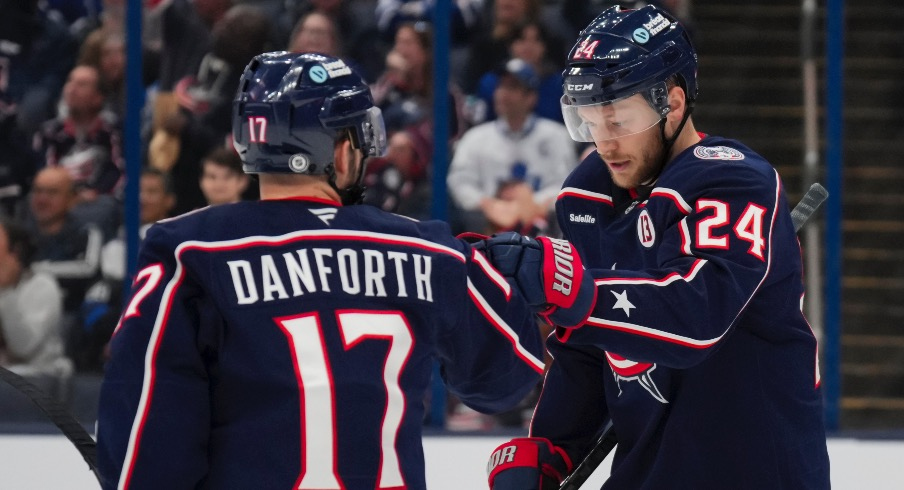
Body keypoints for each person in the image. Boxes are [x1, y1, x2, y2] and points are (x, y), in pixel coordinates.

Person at [96, 51, 548, 489]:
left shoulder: (188, 251)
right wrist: (498, 277)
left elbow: (144, 446)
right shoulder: (429, 248)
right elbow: (508, 378)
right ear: (341, 149)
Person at [481, 6, 831, 489]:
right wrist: (551, 446)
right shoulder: (588, 196)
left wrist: (571, 288)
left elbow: (692, 317)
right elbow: (585, 345)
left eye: (619, 120)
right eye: (590, 121)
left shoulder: (732, 182)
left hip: (753, 473)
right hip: (645, 473)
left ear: (674, 101)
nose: (604, 142)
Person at [448, 58, 575, 236]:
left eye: (513, 88)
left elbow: (566, 184)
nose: (502, 94)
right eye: (501, 86)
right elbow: (459, 182)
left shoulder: (556, 136)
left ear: (531, 97)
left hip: (545, 231)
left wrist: (532, 203)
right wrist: (489, 204)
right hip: (487, 228)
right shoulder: (475, 138)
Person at [0, 217, 72, 389]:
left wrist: (6, 290)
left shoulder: (42, 286)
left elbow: (23, 347)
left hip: (38, 382)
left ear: (15, 252)